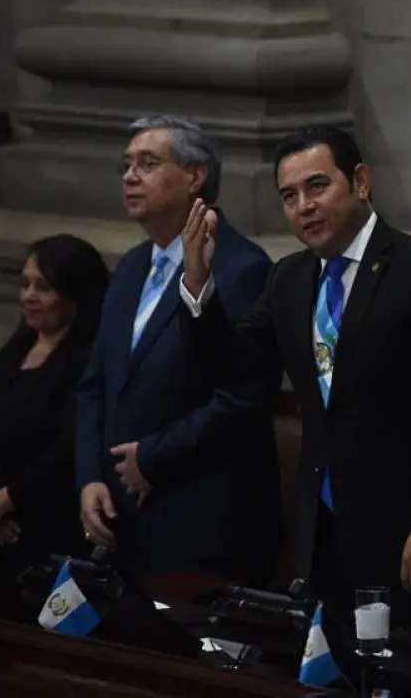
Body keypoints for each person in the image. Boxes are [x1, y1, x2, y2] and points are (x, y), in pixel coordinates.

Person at [178, 126, 411, 681]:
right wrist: (199, 286)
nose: (304, 206)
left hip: (407, 538)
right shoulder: (290, 278)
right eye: (290, 195)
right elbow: (234, 364)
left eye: (317, 186)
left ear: (361, 182)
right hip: (324, 533)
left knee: (407, 680)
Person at [75, 115, 282, 583]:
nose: (130, 176)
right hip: (118, 518)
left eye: (148, 163)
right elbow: (94, 387)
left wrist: (154, 456)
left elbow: (242, 397)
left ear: (195, 176)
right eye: (126, 165)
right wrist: (89, 477)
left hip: (200, 518)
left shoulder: (244, 268)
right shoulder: (131, 266)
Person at [0, 234, 110, 606]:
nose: (28, 296)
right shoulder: (15, 350)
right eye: (25, 284)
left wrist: (5, 501)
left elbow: (68, 446)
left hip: (49, 532)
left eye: (43, 287)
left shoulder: (89, 360)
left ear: (76, 294)